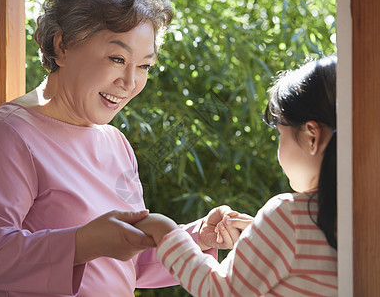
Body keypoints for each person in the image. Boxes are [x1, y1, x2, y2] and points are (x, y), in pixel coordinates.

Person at [0, 0, 248, 296]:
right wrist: (83, 243)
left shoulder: (114, 143)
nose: (130, 82)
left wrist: (200, 237)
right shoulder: (7, 136)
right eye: (117, 59)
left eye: (144, 66)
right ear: (62, 46)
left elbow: (127, 261)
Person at [135, 56, 338, 296]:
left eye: (280, 135)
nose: (278, 149)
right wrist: (263, 239)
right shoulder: (362, 218)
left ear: (311, 137)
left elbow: (218, 290)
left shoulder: (289, 217)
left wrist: (166, 233)